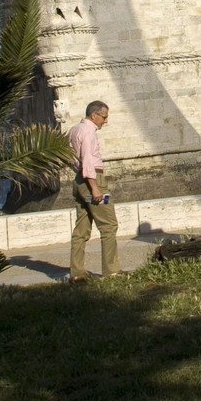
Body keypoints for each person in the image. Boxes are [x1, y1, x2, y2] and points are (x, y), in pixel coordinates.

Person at [67, 100, 122, 281]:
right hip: (93, 181)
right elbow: (88, 162)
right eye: (104, 117)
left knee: (81, 228)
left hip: (78, 181)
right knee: (108, 225)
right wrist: (95, 189)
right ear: (94, 115)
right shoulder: (89, 132)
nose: (105, 121)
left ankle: (76, 273)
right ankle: (111, 270)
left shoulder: (74, 130)